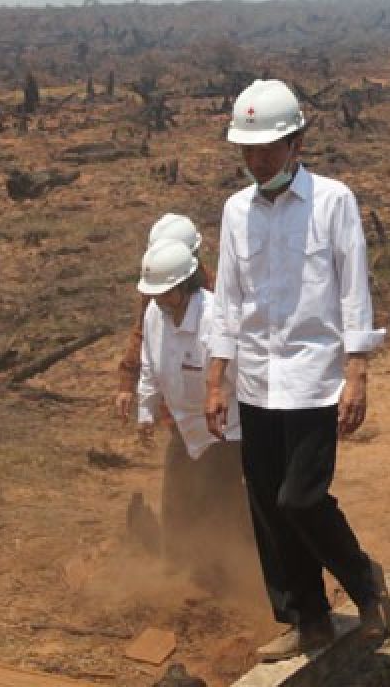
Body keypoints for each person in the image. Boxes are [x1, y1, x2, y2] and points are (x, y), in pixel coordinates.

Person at [205, 79, 389, 661]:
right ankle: (305, 618)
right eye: (248, 151)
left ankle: (364, 581)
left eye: (268, 148)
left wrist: (356, 372)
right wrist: (216, 379)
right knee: (267, 507)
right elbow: (229, 300)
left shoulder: (334, 202)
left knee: (300, 499)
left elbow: (354, 290)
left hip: (314, 380)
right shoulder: (236, 212)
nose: (257, 161)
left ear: (298, 142)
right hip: (256, 382)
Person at [133, 238, 253, 589]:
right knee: (178, 495)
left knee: (220, 500)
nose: (159, 300)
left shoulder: (216, 319)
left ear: (186, 286)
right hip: (185, 427)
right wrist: (146, 408)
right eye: (154, 294)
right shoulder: (157, 314)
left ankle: (232, 576)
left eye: (166, 293)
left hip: (226, 431)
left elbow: (245, 377)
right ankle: (182, 566)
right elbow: (148, 363)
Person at [114, 214, 215, 423]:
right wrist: (128, 384)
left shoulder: (215, 298)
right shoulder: (157, 296)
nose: (161, 299)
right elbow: (144, 338)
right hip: (176, 403)